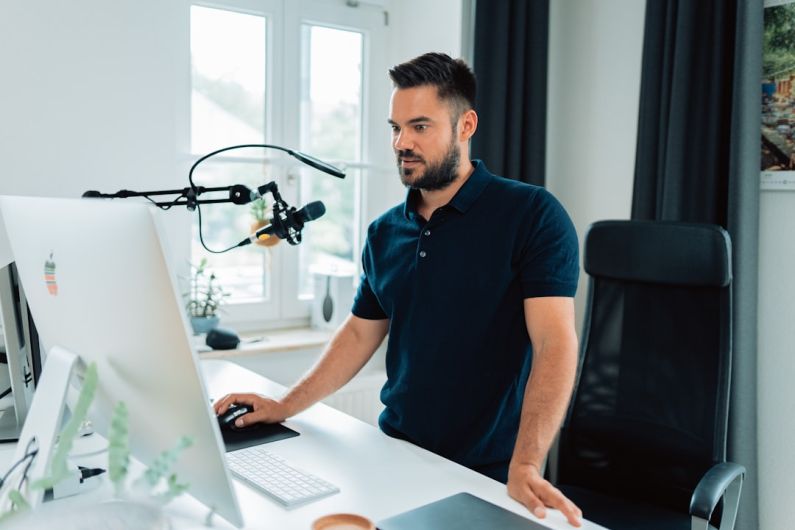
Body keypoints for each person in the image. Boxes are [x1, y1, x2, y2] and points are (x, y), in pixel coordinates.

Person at [214, 52, 582, 526]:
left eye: (420, 126)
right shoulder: (385, 231)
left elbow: (555, 342)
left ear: (465, 125)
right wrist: (287, 403)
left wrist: (528, 462)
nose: (402, 142)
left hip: (488, 471)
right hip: (393, 451)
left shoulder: (532, 215)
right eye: (395, 128)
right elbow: (359, 334)